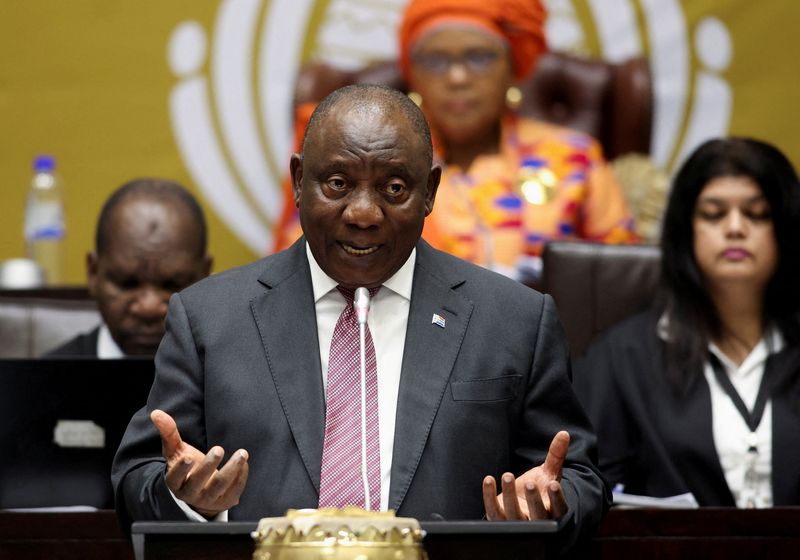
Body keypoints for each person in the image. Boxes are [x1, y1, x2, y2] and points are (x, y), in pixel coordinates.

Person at [112, 84, 609, 551]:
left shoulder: (515, 319)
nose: (364, 213)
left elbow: (581, 480)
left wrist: (543, 507)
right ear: (298, 183)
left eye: (394, 188)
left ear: (430, 191)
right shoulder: (209, 318)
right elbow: (138, 477)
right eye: (337, 184)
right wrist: (186, 497)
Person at [274, 0, 637, 283]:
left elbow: (623, 280)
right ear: (412, 73)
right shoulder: (364, 162)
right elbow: (304, 267)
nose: (458, 77)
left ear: (511, 66)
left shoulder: (573, 156)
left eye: (479, 57)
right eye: (436, 61)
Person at [573, 137, 800, 507]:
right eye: (714, 214)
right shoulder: (623, 357)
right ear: (686, 230)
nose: (735, 228)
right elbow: (585, 486)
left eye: (757, 214)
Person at [46, 178, 212, 357]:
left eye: (173, 284)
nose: (149, 307)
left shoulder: (235, 379)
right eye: (127, 283)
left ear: (205, 276)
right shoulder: (42, 381)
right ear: (93, 273)